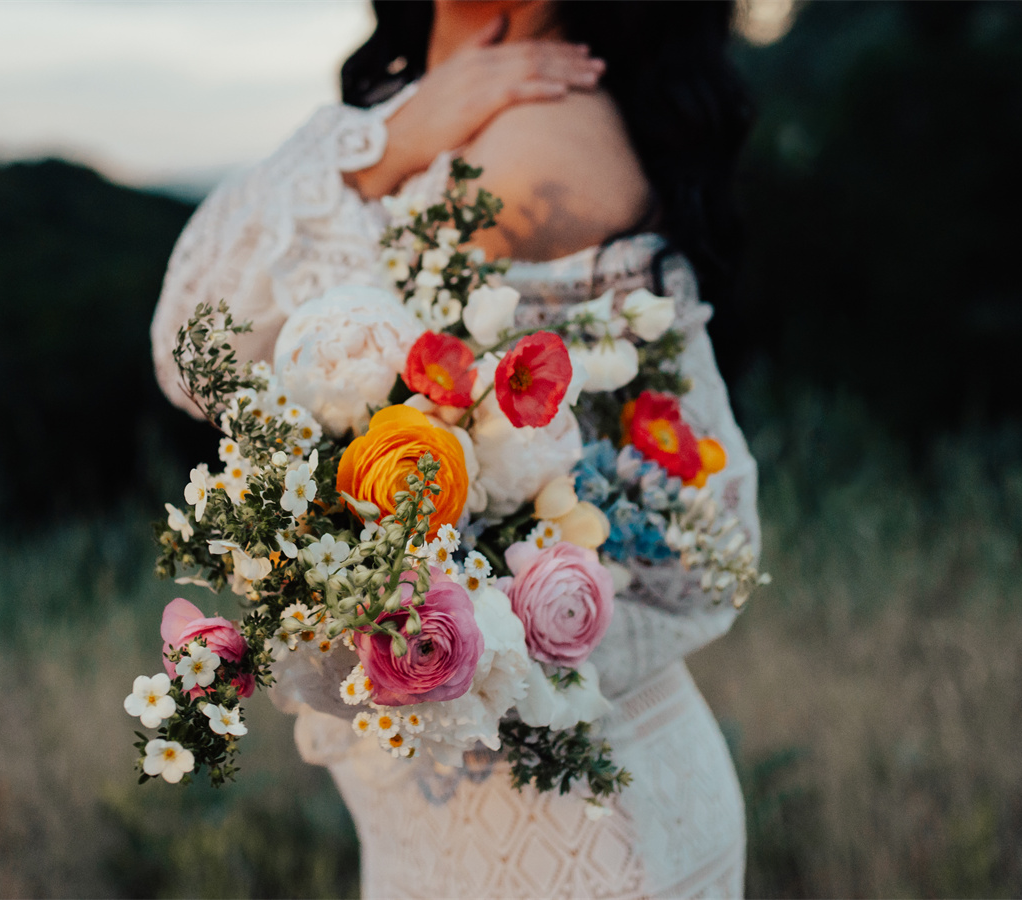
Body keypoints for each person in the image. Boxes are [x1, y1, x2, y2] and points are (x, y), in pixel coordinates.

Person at [151, 2, 759, 896]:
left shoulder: (539, 145)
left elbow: (194, 344)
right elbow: (193, 339)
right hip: (440, 823)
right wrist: (391, 136)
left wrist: (381, 148)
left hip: (583, 840)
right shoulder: (412, 108)